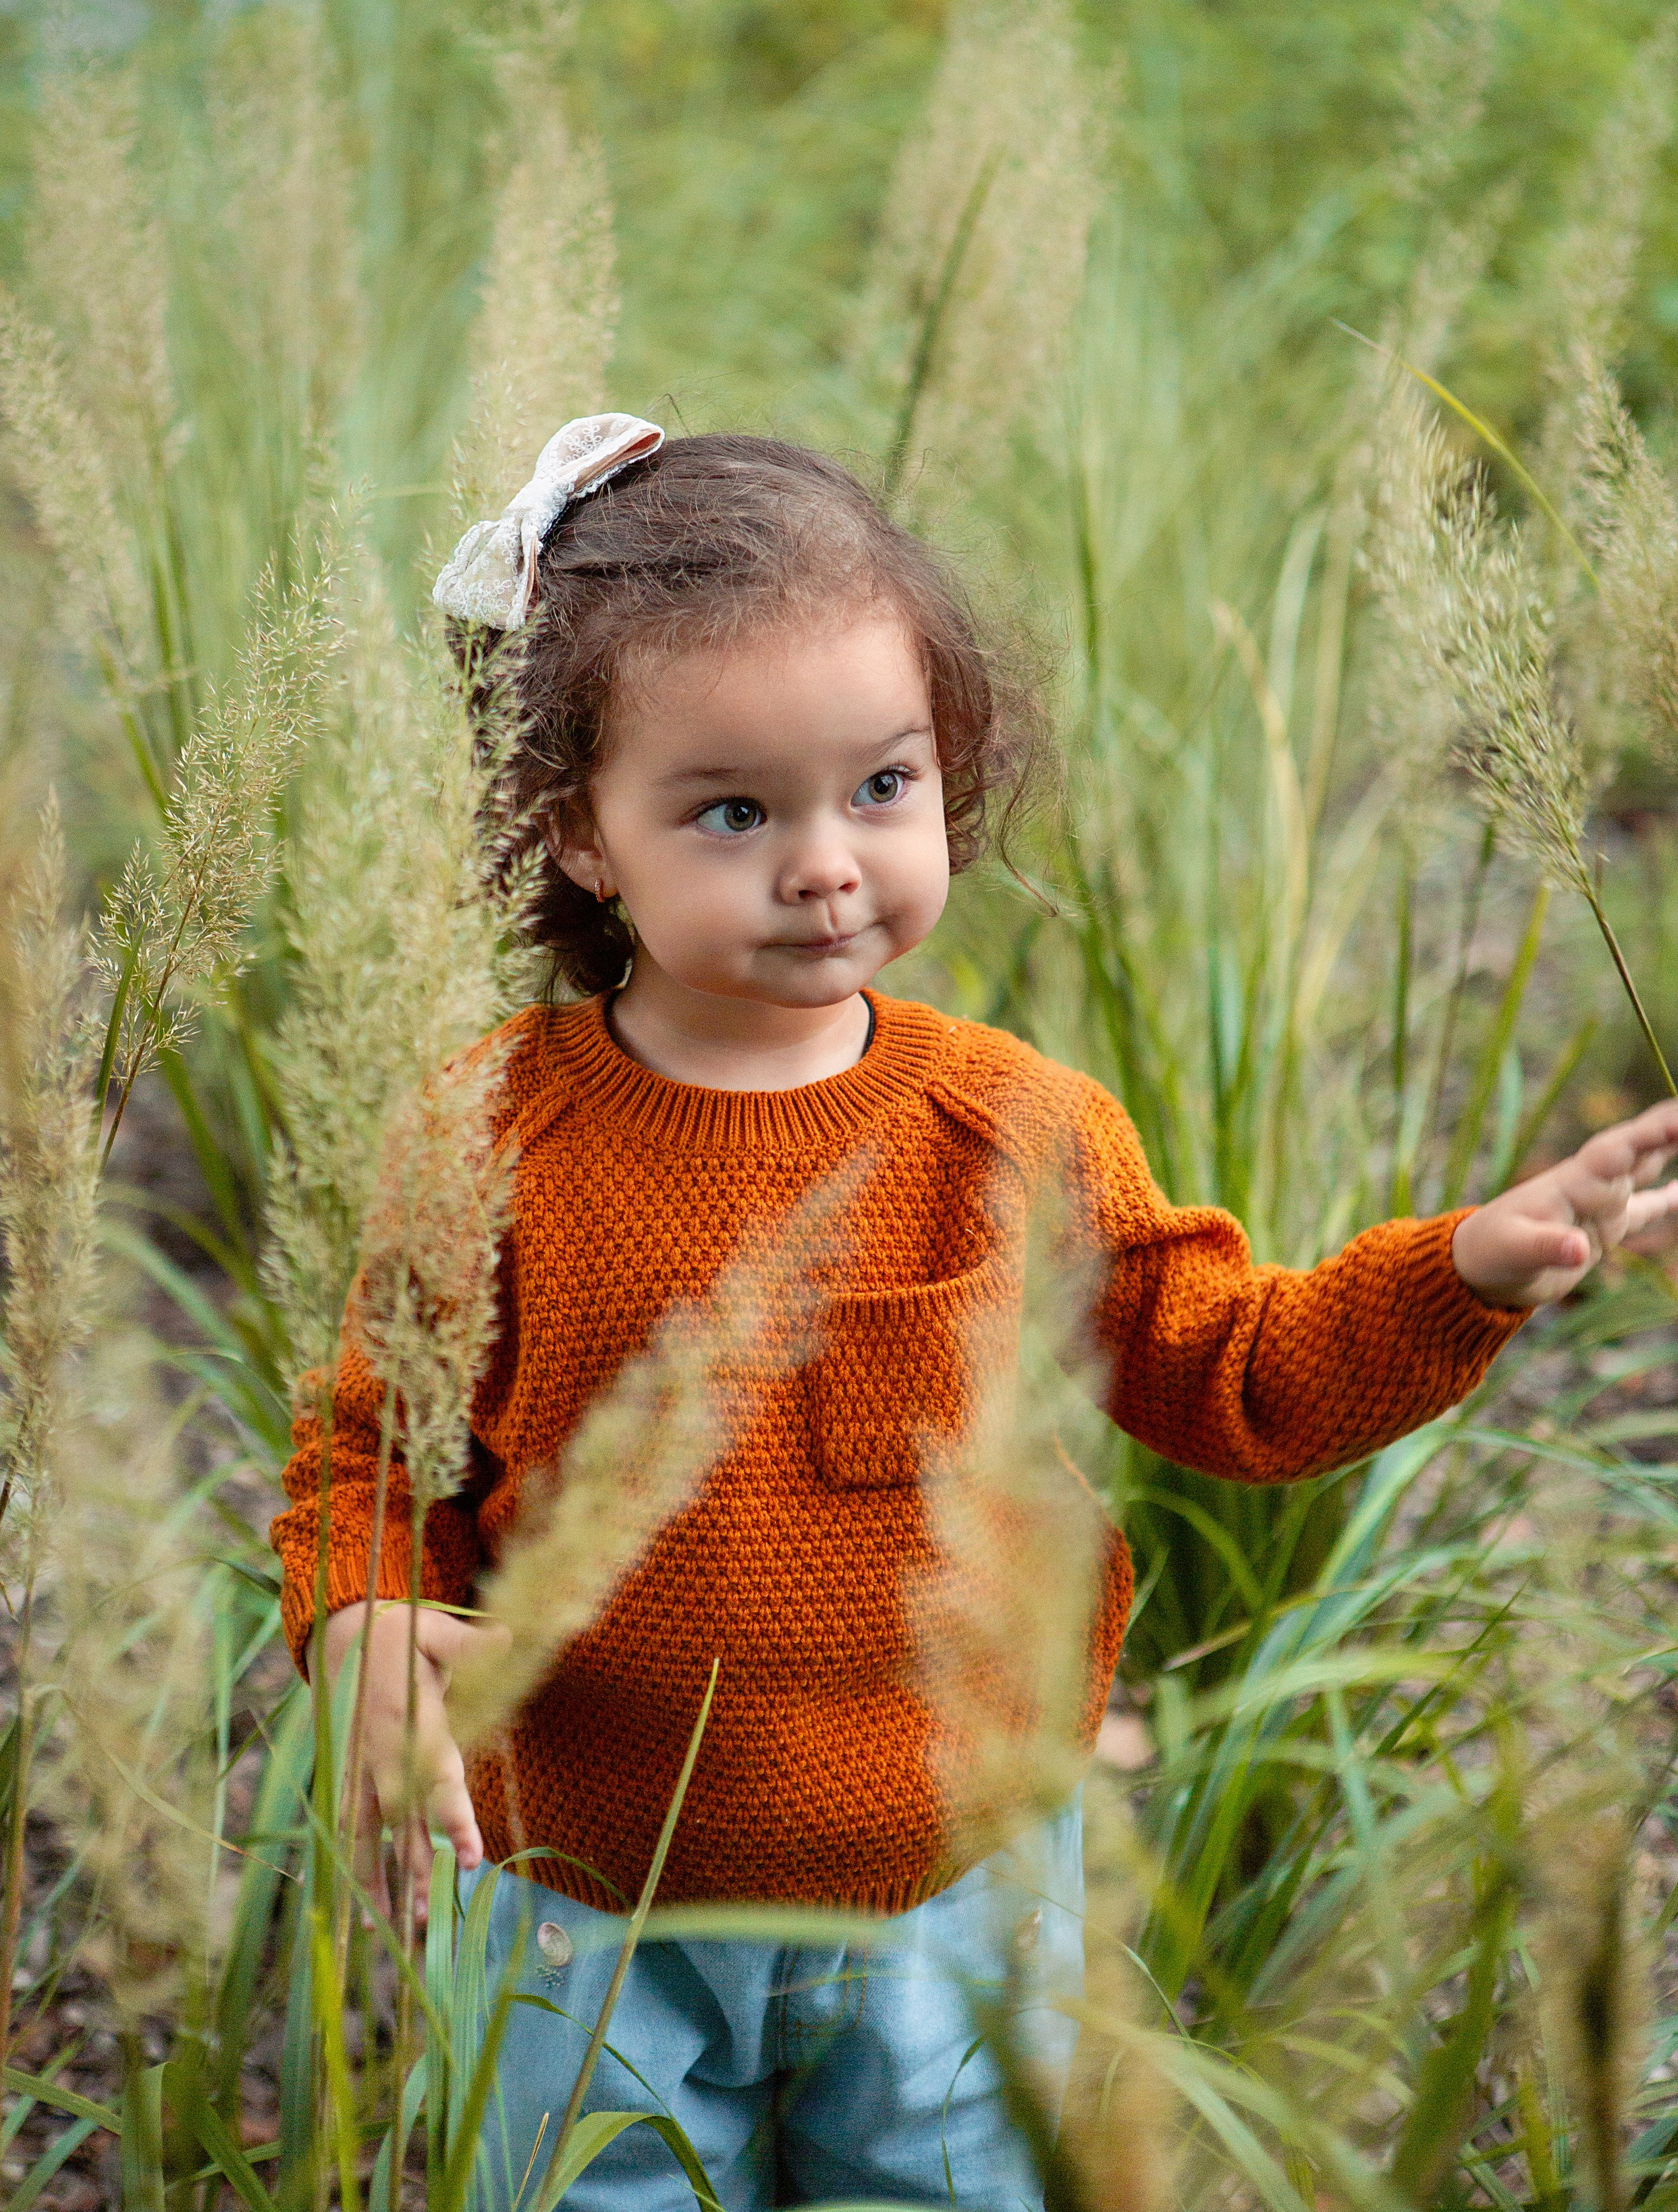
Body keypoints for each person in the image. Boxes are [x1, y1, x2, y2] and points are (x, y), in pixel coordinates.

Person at [271, 416, 1678, 2212]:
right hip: (584, 1905)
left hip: (954, 1894)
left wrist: (1461, 1264)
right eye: (732, 811)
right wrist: (369, 1626)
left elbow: (1227, 1368)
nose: (826, 864)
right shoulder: (491, 1134)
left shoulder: (1009, 1124)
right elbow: (370, 1446)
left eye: (882, 787)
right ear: (582, 835)